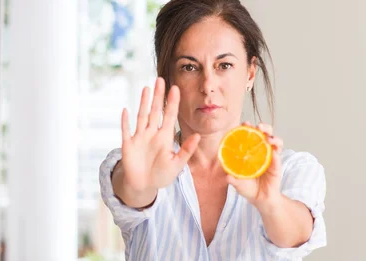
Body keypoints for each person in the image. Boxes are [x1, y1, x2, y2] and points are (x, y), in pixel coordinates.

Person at [99, 0, 327, 260]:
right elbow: (132, 191)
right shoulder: (140, 162)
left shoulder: (294, 169)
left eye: (224, 65)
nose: (208, 85)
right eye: (189, 67)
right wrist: (143, 184)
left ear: (250, 73)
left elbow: (296, 235)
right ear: (169, 76)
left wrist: (269, 202)